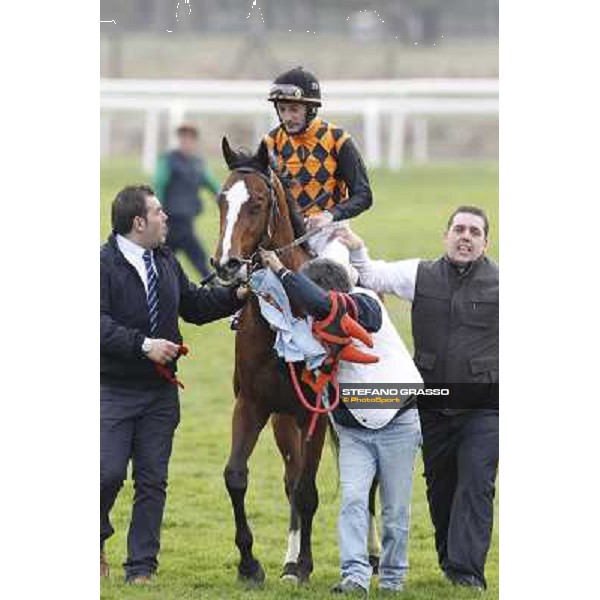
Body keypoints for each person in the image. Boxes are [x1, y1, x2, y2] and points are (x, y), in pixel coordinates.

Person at [336, 206, 499, 591]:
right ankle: (448, 558)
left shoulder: (504, 282)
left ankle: (467, 572)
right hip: (432, 402)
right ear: (446, 236)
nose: (466, 236)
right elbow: (373, 274)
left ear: (485, 242)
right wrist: (357, 248)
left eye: (475, 232)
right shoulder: (419, 274)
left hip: (485, 406)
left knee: (476, 483)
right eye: (459, 229)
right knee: (440, 486)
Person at [100, 185, 246, 583]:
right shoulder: (101, 265)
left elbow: (195, 305)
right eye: (159, 212)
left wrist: (239, 293)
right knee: (106, 474)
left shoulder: (164, 259)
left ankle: (141, 569)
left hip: (160, 394)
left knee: (152, 481)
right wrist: (143, 345)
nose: (167, 218)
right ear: (138, 222)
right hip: (111, 390)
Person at [259, 251, 422, 597]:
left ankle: (392, 580)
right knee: (352, 500)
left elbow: (323, 306)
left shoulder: (365, 304)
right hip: (353, 430)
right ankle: (355, 578)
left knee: (395, 510)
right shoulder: (308, 327)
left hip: (397, 423)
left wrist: (282, 271)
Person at [263, 67, 373, 271]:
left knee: (333, 276)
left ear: (311, 109)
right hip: (286, 234)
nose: (287, 117)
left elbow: (364, 195)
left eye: (294, 109)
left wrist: (329, 215)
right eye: (282, 109)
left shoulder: (338, 140)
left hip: (330, 234)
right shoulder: (270, 143)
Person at [153, 122, 220, 279]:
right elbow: (159, 185)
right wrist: (157, 212)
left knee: (190, 259)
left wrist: (225, 199)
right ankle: (214, 289)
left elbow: (213, 185)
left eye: (189, 138)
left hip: (186, 221)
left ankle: (214, 289)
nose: (186, 141)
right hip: (169, 221)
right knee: (170, 260)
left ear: (194, 141)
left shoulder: (198, 164)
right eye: (183, 138)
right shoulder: (168, 161)